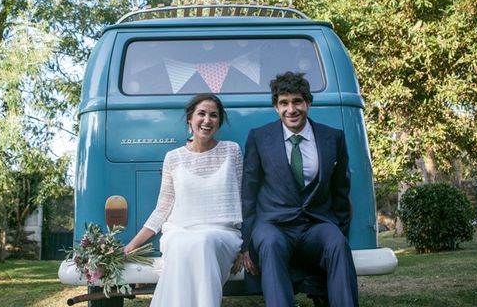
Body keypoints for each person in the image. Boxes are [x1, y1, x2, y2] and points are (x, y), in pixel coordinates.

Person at [240, 72, 359, 307]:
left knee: (337, 243)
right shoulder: (259, 138)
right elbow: (248, 192)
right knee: (271, 244)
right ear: (276, 107)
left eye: (297, 101)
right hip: (273, 226)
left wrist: (339, 229)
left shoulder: (333, 137)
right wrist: (246, 244)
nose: (291, 109)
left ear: (308, 103)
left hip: (316, 225)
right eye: (284, 103)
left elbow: (340, 190)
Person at [124, 93, 243, 307]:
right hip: (180, 231)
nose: (207, 120)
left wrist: (247, 247)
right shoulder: (173, 157)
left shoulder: (232, 151)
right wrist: (131, 245)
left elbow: (245, 198)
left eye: (214, 115)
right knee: (180, 243)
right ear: (190, 119)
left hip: (222, 234)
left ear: (219, 122)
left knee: (203, 241)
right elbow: (163, 208)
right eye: (201, 114)